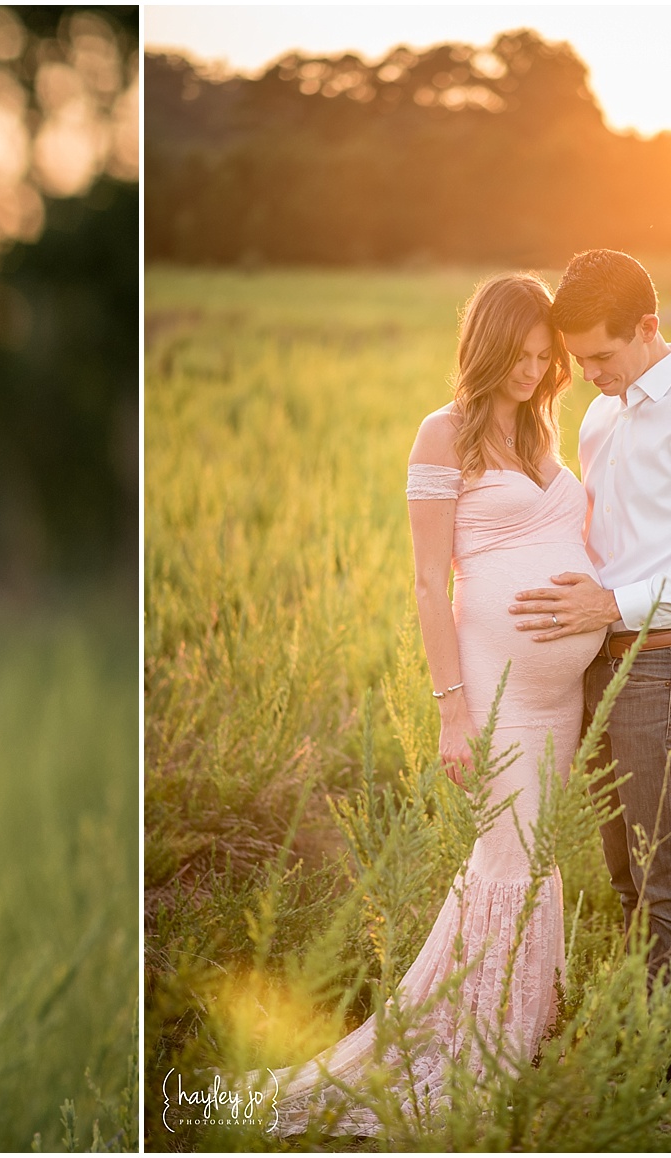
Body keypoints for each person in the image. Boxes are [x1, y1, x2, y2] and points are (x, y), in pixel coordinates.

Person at [255, 273, 591, 1135]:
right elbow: (427, 583)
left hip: (561, 701)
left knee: (536, 859)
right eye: (516, 355)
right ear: (484, 348)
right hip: (497, 692)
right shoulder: (443, 434)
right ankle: (482, 1052)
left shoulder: (541, 426)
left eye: (543, 355)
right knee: (506, 862)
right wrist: (452, 710)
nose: (531, 369)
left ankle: (524, 1030)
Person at [510, 249, 671, 985]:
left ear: (649, 326)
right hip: (602, 667)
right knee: (625, 874)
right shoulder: (601, 415)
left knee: (665, 883)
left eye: (603, 355)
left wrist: (610, 605)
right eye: (579, 359)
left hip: (669, 667)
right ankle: (644, 1044)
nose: (590, 372)